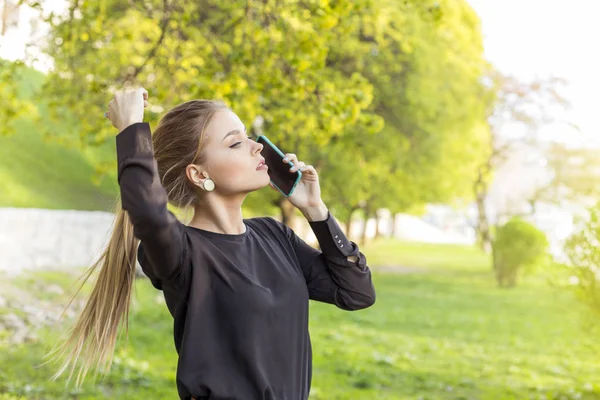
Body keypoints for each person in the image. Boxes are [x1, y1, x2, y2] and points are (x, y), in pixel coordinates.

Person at [53, 87, 376, 400]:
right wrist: (131, 130)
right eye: (235, 143)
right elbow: (149, 212)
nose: (256, 147)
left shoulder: (275, 237)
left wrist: (315, 211)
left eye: (248, 136)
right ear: (197, 173)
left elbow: (356, 292)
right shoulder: (182, 254)